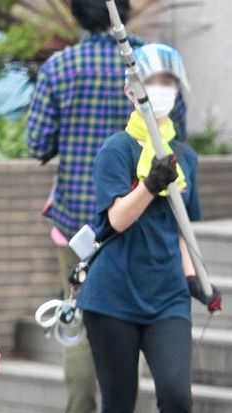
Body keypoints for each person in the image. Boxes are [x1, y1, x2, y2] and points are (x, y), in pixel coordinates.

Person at [25, 1, 186, 411]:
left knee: (80, 319)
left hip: (76, 222)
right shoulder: (148, 63)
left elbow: (37, 143)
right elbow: (176, 130)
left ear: (76, 14)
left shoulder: (60, 68)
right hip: (145, 216)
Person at [77, 43, 222, 413]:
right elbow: (116, 220)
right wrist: (150, 185)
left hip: (167, 297)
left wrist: (195, 280)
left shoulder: (185, 157)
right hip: (113, 297)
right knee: (119, 402)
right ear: (131, 91)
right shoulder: (116, 150)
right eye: (153, 80)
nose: (162, 89)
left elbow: (181, 229)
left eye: (169, 82)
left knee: (177, 397)